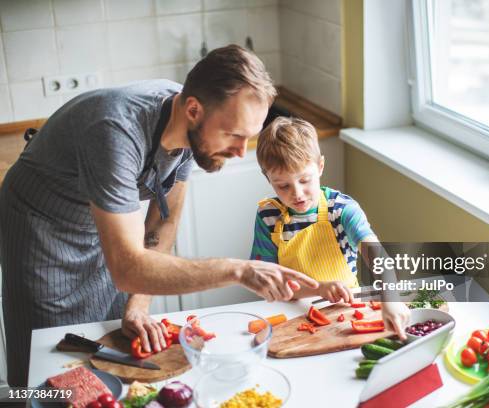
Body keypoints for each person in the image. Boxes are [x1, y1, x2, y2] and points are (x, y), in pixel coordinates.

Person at [0, 45, 318, 386]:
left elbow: (161, 225)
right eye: (234, 135)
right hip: (42, 233)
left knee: (109, 352)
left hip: (102, 228)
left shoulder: (191, 128)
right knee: (51, 364)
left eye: (248, 137)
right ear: (194, 109)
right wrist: (239, 270)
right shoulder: (114, 131)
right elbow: (127, 268)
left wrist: (138, 304)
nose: (241, 152)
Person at [250, 117, 410, 338]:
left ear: (320, 166)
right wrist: (319, 289)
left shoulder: (342, 209)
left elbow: (376, 252)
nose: (297, 193)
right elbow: (266, 282)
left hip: (347, 310)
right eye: (283, 185)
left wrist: (390, 297)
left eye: (305, 180)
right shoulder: (267, 216)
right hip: (291, 314)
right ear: (268, 179)